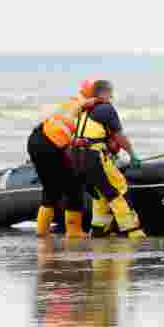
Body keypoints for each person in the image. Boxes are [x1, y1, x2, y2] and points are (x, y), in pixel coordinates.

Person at [69, 80, 147, 239]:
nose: (112, 97)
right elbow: (119, 136)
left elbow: (91, 134)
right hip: (92, 157)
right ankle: (133, 232)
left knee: (100, 193)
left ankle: (99, 230)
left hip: (76, 158)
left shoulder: (83, 109)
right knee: (118, 189)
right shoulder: (106, 108)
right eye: (111, 94)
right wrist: (132, 155)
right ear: (104, 92)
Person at [27, 79, 101, 237]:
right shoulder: (82, 104)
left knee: (50, 189)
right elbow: (65, 141)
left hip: (37, 139)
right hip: (49, 146)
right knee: (73, 186)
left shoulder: (70, 103)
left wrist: (77, 142)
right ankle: (74, 231)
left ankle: (42, 232)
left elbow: (64, 134)